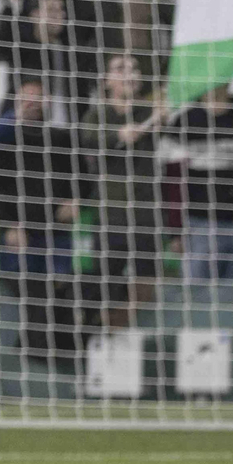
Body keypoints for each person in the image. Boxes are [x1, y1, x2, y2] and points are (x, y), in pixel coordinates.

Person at [0, 78, 84, 364]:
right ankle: (37, 354)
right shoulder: (3, 141)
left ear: (48, 103)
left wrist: (76, 199)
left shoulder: (62, 138)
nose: (31, 104)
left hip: (56, 232)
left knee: (58, 289)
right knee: (30, 290)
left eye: (37, 99)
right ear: (16, 102)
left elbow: (84, 178)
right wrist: (8, 225)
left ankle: (38, 354)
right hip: (19, 232)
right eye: (25, 99)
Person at [76, 53, 167, 327]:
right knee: (106, 279)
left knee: (146, 276)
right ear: (106, 81)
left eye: (134, 68)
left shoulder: (151, 112)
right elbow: (89, 140)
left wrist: (166, 116)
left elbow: (177, 133)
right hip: (111, 215)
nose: (129, 73)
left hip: (145, 213)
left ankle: (137, 327)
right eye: (120, 68)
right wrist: (118, 135)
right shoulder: (95, 115)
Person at [172, 86, 233, 281]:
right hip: (197, 223)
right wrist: (175, 230)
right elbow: (173, 180)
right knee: (197, 297)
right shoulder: (184, 121)